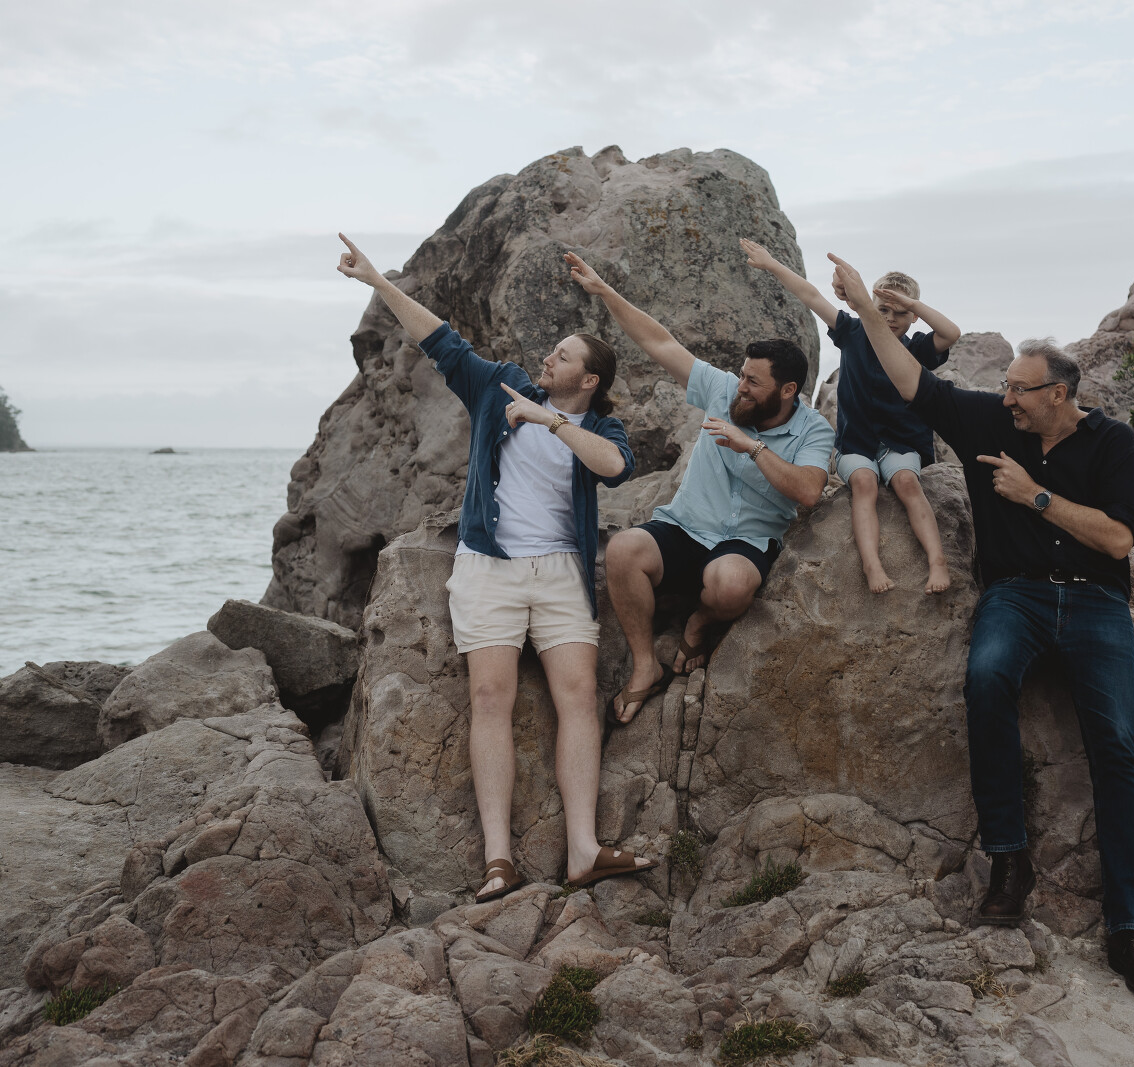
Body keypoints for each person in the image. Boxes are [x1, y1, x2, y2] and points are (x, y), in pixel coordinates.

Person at [828, 253, 1134, 1001]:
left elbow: (1119, 540)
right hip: (1014, 595)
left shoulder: (1111, 442)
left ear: (1059, 395)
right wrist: (861, 305)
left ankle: (1130, 927)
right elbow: (912, 379)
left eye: (1020, 389)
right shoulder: (989, 419)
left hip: (1095, 601)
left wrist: (1034, 496)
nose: (1006, 397)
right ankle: (1009, 862)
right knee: (985, 681)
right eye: (1007, 386)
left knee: (1117, 744)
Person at [335, 234, 656, 901]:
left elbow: (614, 468)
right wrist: (378, 283)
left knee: (578, 698)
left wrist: (548, 420)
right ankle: (498, 859)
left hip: (562, 574)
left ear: (589, 381)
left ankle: (583, 850)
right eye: (553, 350)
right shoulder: (498, 384)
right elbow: (440, 340)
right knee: (490, 698)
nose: (549, 357)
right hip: (490, 567)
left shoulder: (600, 429)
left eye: (563, 355)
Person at [564, 251, 834, 724]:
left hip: (745, 541)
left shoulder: (813, 430)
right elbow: (659, 341)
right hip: (685, 528)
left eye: (753, 382)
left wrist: (751, 447)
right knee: (624, 550)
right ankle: (645, 665)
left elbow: (810, 491)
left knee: (731, 586)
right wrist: (604, 291)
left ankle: (699, 621)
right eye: (742, 375)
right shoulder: (721, 389)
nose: (740, 387)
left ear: (787, 390)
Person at [741, 239, 958, 595]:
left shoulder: (917, 347)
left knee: (907, 482)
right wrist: (772, 263)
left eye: (900, 312)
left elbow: (951, 333)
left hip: (902, 441)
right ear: (869, 305)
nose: (890, 319)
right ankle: (872, 564)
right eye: (882, 309)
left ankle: (937, 560)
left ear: (913, 316)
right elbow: (811, 296)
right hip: (856, 442)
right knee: (864, 484)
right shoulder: (853, 332)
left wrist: (914, 303)